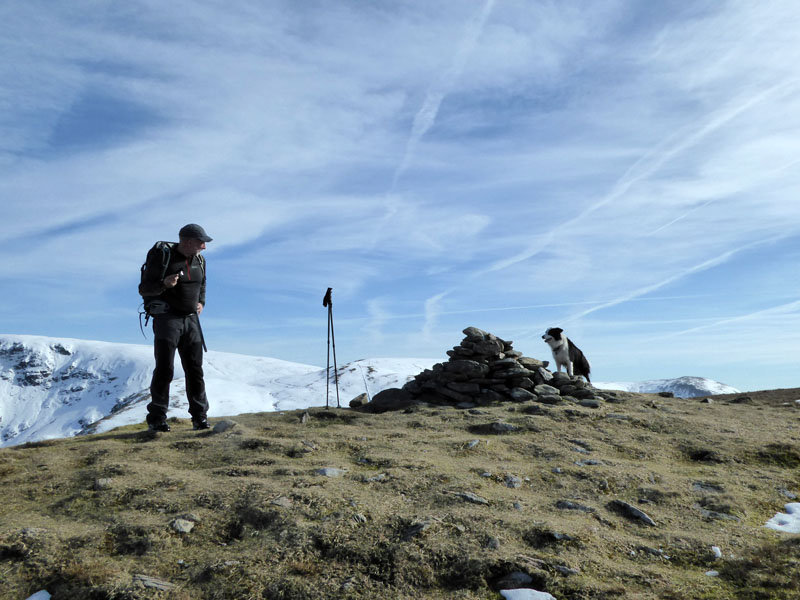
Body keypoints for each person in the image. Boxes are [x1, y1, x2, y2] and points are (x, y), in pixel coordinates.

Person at [139, 224, 212, 432]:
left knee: (195, 370)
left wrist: (201, 303)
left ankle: (200, 418)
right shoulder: (162, 258)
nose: (204, 247)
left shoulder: (200, 260)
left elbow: (202, 284)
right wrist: (164, 284)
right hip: (167, 319)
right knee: (165, 369)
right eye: (201, 242)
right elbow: (144, 289)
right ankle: (157, 418)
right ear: (187, 241)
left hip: (191, 320)